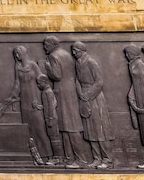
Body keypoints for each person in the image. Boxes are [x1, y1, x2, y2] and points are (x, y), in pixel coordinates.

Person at [0, 45, 51, 165]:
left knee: (40, 128)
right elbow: (17, 83)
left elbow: (42, 79)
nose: (17, 56)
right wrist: (11, 96)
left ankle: (48, 156)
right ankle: (35, 156)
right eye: (15, 54)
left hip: (35, 99)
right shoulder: (17, 66)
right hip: (25, 100)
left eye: (18, 53)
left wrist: (41, 101)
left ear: (23, 53)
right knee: (29, 129)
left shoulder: (33, 65)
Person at [43, 36, 86, 168]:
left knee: (70, 127)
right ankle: (69, 158)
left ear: (51, 44)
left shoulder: (53, 56)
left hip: (63, 91)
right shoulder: (66, 54)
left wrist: (47, 67)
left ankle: (80, 160)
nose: (44, 47)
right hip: (70, 90)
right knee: (66, 127)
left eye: (45, 44)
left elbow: (57, 75)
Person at [71, 41, 115, 169]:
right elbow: (77, 81)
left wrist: (88, 95)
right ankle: (97, 158)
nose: (74, 53)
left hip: (95, 98)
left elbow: (99, 82)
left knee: (100, 129)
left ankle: (107, 159)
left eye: (76, 50)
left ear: (82, 50)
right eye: (73, 50)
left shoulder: (91, 62)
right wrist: (81, 94)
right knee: (90, 130)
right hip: (84, 97)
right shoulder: (78, 63)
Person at [35, 74, 63, 166]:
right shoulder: (46, 91)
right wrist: (40, 107)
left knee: (54, 138)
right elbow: (49, 105)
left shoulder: (48, 92)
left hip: (51, 118)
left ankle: (58, 158)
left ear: (44, 82)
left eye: (39, 83)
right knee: (52, 138)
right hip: (49, 117)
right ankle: (57, 157)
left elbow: (52, 106)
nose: (38, 85)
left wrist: (50, 119)